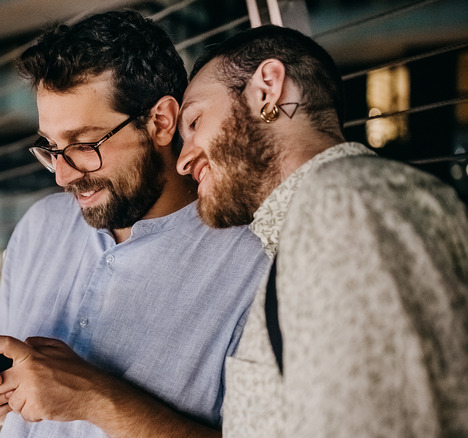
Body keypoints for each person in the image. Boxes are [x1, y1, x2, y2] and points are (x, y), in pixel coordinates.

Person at [0, 10, 269, 437]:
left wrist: (95, 399)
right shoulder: (40, 225)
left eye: (83, 144)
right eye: (52, 148)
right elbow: (15, 407)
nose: (63, 175)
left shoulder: (257, 260)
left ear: (161, 121)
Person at [176, 24, 468, 437]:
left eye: (194, 122)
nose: (182, 161)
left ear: (267, 89)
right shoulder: (320, 221)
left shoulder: (346, 203)